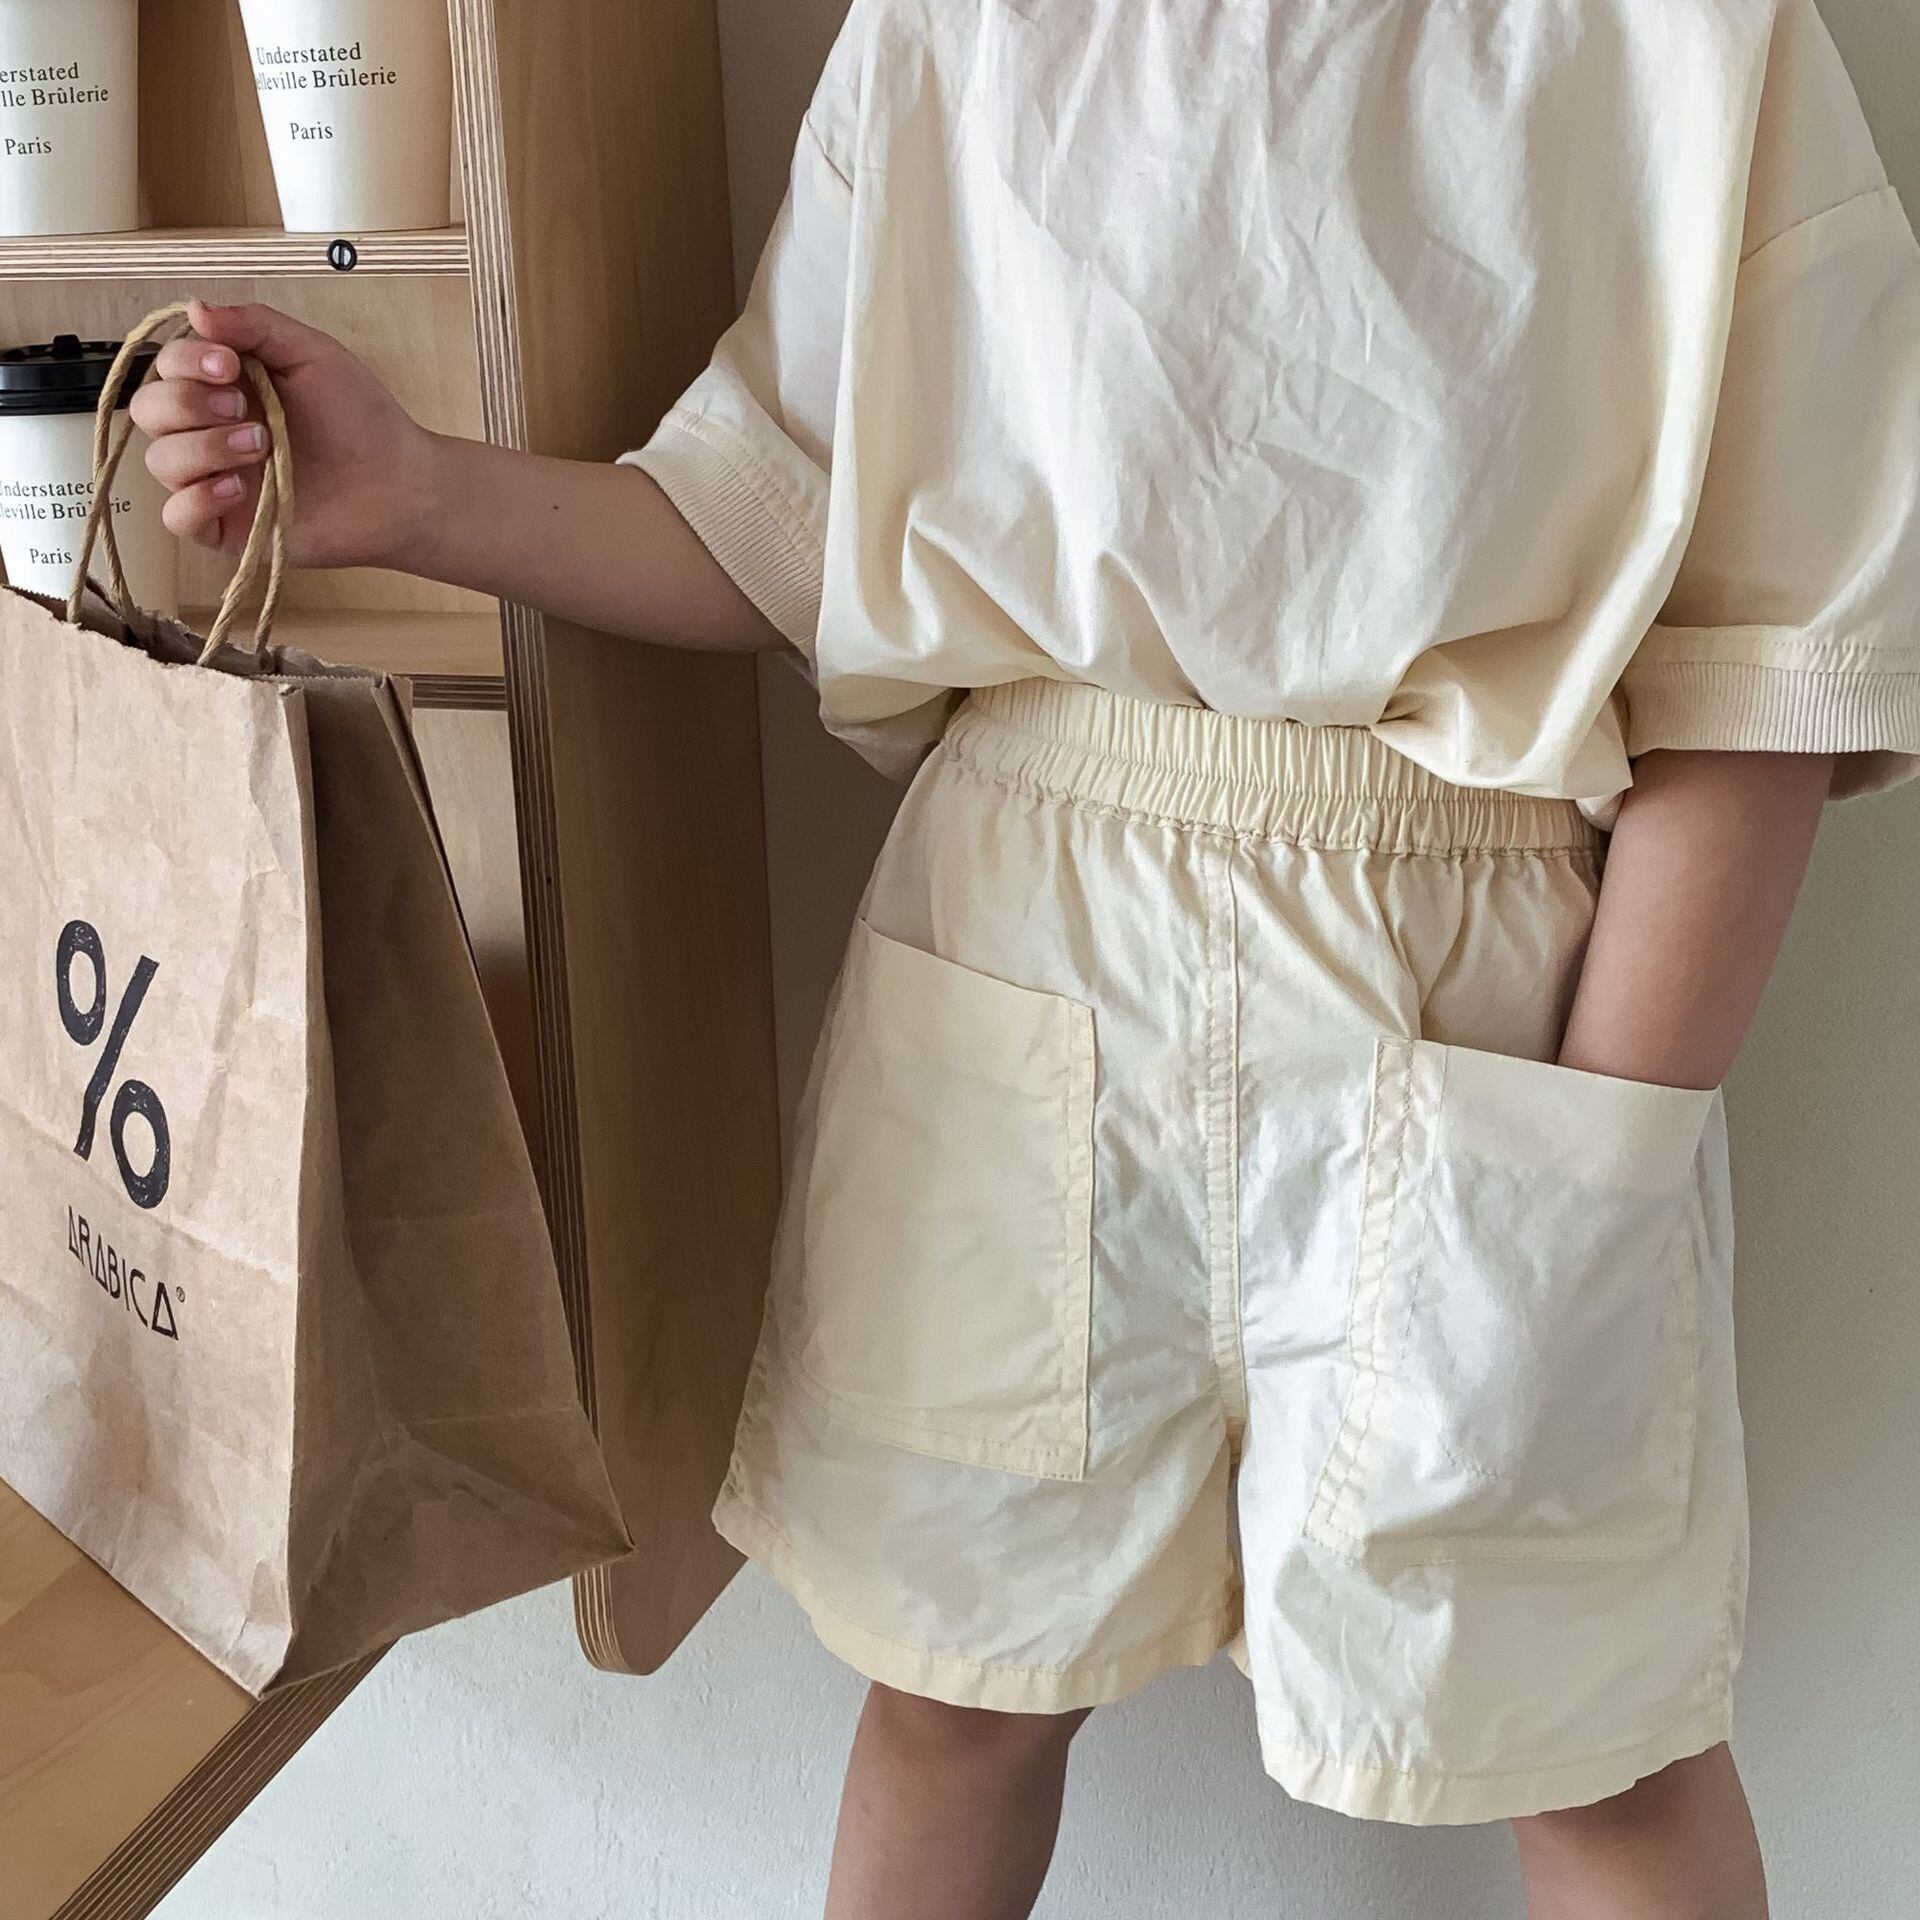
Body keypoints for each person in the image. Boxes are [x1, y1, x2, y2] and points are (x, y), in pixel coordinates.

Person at [134, 1, 1920, 1912]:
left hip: (1487, 984)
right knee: (953, 1696)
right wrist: (422, 495)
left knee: (1597, 1751)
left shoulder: (1694, 37)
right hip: (1025, 943)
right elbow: (789, 516)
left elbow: (1770, 661)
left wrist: (1599, 1156)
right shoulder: (957, 22)